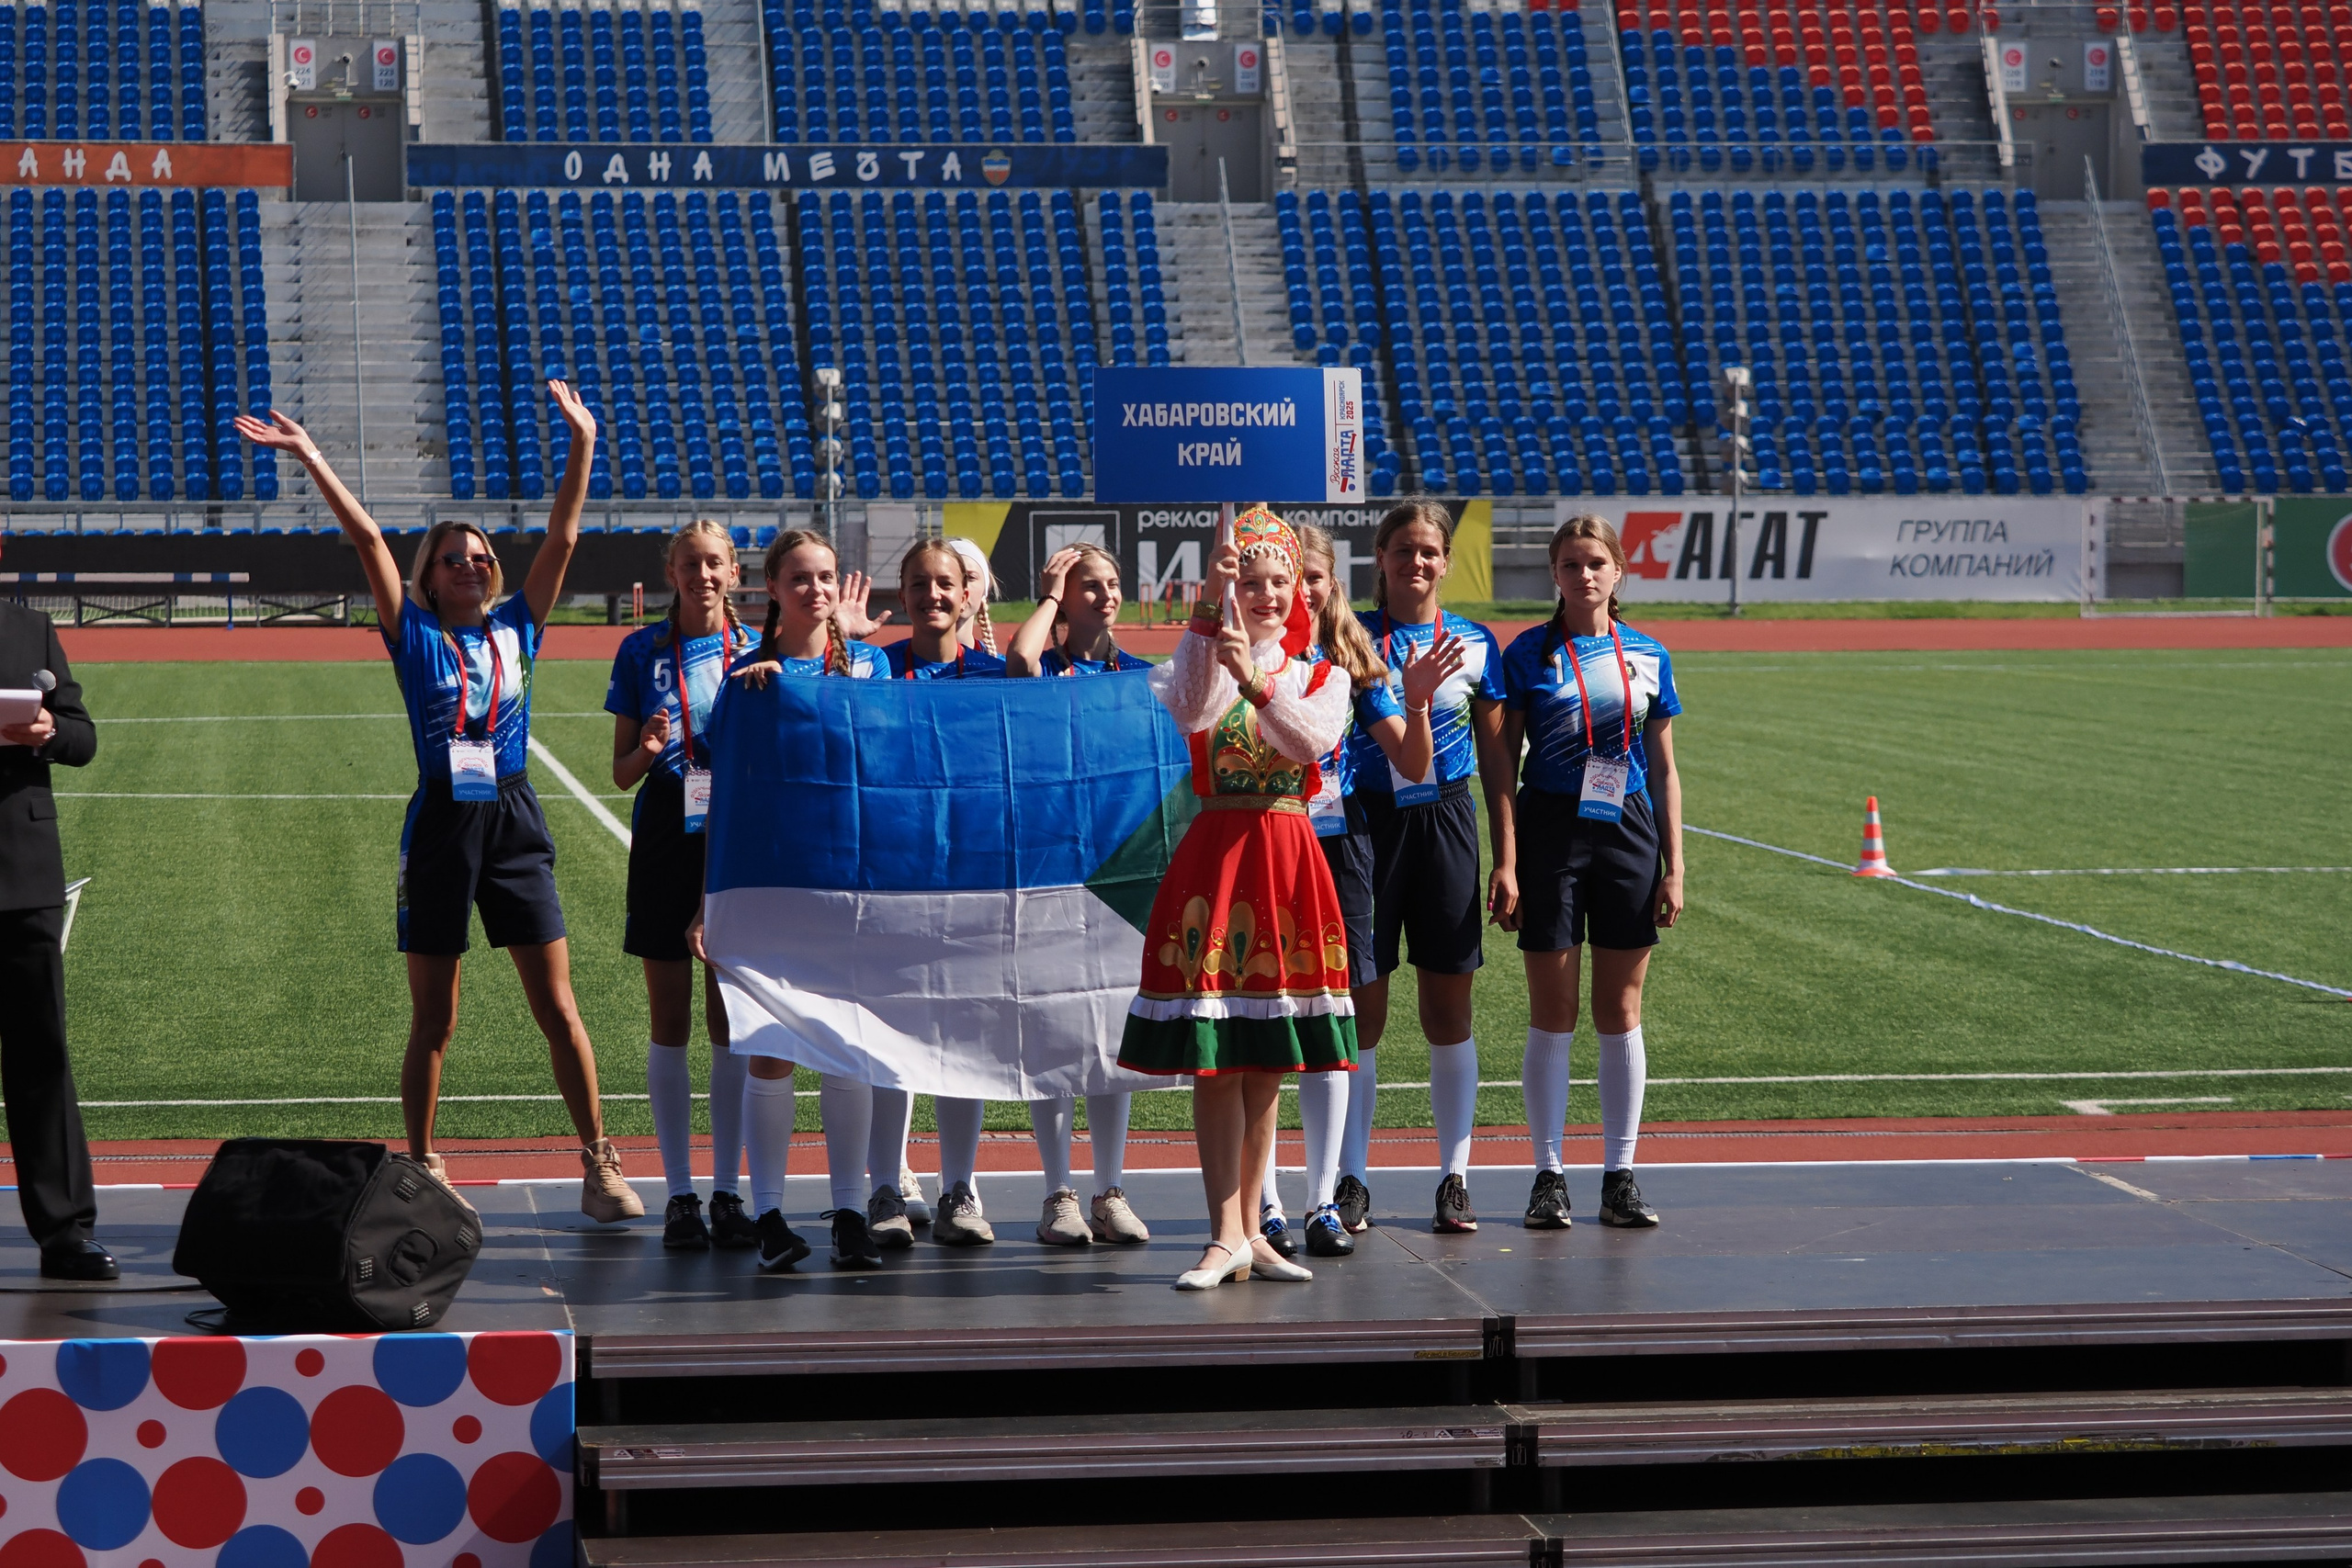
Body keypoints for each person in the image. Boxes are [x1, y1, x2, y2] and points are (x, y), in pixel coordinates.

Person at [234, 389, 645, 1225]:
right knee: (437, 1015)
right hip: (442, 826)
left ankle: (599, 1161)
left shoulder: (521, 628)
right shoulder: (411, 633)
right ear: (428, 575)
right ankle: (422, 1163)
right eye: (452, 558)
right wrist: (311, 455)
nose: (469, 565)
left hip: (515, 819)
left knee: (559, 1006)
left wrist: (584, 443)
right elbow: (366, 539)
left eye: (480, 556)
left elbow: (563, 535)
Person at [1117, 506, 1356, 1291]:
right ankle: (1224, 1232)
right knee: (1218, 1063)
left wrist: (1254, 676)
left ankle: (1252, 1230)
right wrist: (1203, 614)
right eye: (1248, 582)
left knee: (1266, 1066)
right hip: (1218, 863)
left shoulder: (1324, 674)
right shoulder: (1210, 659)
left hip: (1287, 866)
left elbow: (1309, 741)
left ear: (1303, 592)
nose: (1264, 596)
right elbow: (1188, 707)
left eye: (1277, 583)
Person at [1255, 524, 1461, 1261]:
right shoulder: (1246, 659)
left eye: (1311, 575)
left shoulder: (1352, 663)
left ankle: (1321, 1200)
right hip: (1264, 846)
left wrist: (1421, 700)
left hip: (1342, 851)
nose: (1300, 589)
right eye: (1286, 575)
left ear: (1329, 583)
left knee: (1332, 1018)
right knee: (1268, 1018)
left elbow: (1410, 760)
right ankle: (1266, 1201)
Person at [700, 527, 891, 1270]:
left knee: (848, 1051)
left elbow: (885, 749)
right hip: (774, 879)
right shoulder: (748, 678)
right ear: (772, 589)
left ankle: (850, 1212)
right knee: (772, 1051)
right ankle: (772, 1214)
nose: (815, 589)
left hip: (855, 877)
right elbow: (724, 799)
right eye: (800, 578)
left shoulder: (869, 666)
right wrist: (705, 900)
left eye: (826, 576)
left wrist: (837, 660)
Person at [1492, 515, 1682, 1230]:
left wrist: (1676, 866)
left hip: (1629, 829)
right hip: (1549, 830)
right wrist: (1505, 857)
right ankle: (1548, 1175)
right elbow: (1502, 766)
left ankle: (1621, 1175)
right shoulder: (1529, 654)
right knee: (1554, 1009)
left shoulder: (1649, 654)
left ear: (1618, 571)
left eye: (1596, 562)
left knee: (1621, 1009)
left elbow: (1664, 767)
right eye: (1571, 564)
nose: (1584, 575)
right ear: (1555, 573)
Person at [1347, 500, 1512, 1235]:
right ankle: (1350, 1177)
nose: (1416, 562)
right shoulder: (1348, 635)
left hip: (1449, 819)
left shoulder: (1478, 643)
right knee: (1362, 1013)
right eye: (1403, 549)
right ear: (1379, 557)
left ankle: (1455, 1177)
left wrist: (1507, 854)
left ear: (1446, 561)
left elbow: (1501, 762)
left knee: (1449, 1013)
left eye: (1429, 551)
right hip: (1366, 827)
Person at [607, 521, 758, 1251]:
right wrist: (648, 747)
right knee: (669, 1017)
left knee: (729, 1019)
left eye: (715, 563)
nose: (703, 574)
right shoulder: (640, 651)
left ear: (734, 571)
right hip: (667, 835)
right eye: (690, 562)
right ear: (670, 569)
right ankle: (678, 1193)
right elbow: (621, 773)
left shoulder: (760, 651)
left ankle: (728, 1190)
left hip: (737, 833)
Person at [1001, 542, 1152, 1248]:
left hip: (1121, 873)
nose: (1107, 595)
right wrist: (1053, 594)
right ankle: (1057, 1191)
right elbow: (1020, 661)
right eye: (1091, 586)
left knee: (1116, 1037)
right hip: (1050, 870)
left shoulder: (1141, 674)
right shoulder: (1049, 663)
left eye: (1113, 583)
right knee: (1058, 1032)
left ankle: (1109, 1189)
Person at [878, 540, 1006, 1247]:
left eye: (946, 584)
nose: (933, 594)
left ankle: (959, 1185)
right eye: (920, 583)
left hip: (971, 874)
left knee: (965, 1031)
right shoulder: (873, 668)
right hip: (893, 872)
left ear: (969, 595)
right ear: (903, 592)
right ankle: (889, 1181)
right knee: (893, 1030)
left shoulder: (995, 673)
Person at [0, 535, 112, 1280]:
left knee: (41, 1053)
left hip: (22, 869)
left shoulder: (28, 628)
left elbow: (83, 737)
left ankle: (65, 1230)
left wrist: (45, 733)